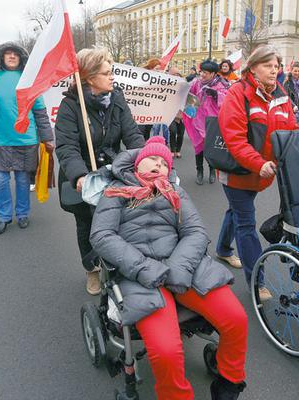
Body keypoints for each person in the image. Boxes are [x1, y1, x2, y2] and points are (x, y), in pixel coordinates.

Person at [90, 137, 248, 400]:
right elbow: (103, 236)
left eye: (164, 163)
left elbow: (195, 231)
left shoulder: (174, 191)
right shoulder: (114, 192)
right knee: (166, 351)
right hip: (139, 274)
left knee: (236, 320)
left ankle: (229, 382)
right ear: (138, 164)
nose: (158, 165)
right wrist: (145, 269)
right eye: (152, 159)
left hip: (184, 267)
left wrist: (177, 268)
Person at [55, 47, 144, 295]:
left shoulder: (117, 98)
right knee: (87, 224)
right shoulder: (70, 106)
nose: (112, 77)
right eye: (107, 73)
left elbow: (132, 134)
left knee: (118, 220)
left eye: (112, 71)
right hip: (82, 176)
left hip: (112, 171)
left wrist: (148, 159)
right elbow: (66, 146)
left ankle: (118, 263)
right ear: (90, 77)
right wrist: (80, 175)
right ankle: (92, 269)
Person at [217, 45, 299, 300]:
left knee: (236, 211)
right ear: (252, 67)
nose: (274, 71)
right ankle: (256, 281)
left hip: (262, 173)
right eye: (268, 66)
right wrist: (258, 163)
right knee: (246, 222)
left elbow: (290, 128)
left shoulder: (281, 94)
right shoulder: (238, 93)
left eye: (276, 66)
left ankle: (221, 248)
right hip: (238, 172)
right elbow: (235, 140)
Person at [0, 42, 53, 235]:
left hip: (25, 140)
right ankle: (4, 217)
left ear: (21, 58)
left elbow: (40, 112)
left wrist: (47, 138)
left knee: (22, 180)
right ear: (0, 57)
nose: (11, 56)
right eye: (7, 54)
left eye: (15, 54)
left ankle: (22, 214)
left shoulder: (29, 80)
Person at [183, 59, 230, 185]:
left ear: (214, 74)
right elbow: (186, 91)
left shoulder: (221, 84)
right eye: (202, 72)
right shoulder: (196, 83)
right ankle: (199, 171)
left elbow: (227, 99)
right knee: (198, 147)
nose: (203, 75)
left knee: (210, 148)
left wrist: (216, 94)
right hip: (197, 121)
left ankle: (212, 171)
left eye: (206, 73)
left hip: (212, 122)